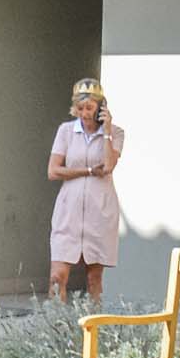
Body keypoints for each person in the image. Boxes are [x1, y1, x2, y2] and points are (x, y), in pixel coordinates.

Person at [48, 77, 124, 301]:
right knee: (57, 277)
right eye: (80, 108)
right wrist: (89, 170)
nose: (84, 113)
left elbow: (109, 166)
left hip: (99, 212)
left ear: (100, 107)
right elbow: (53, 171)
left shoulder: (116, 133)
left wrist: (107, 130)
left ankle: (92, 332)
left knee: (94, 279)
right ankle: (53, 329)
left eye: (89, 107)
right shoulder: (66, 131)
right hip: (68, 212)